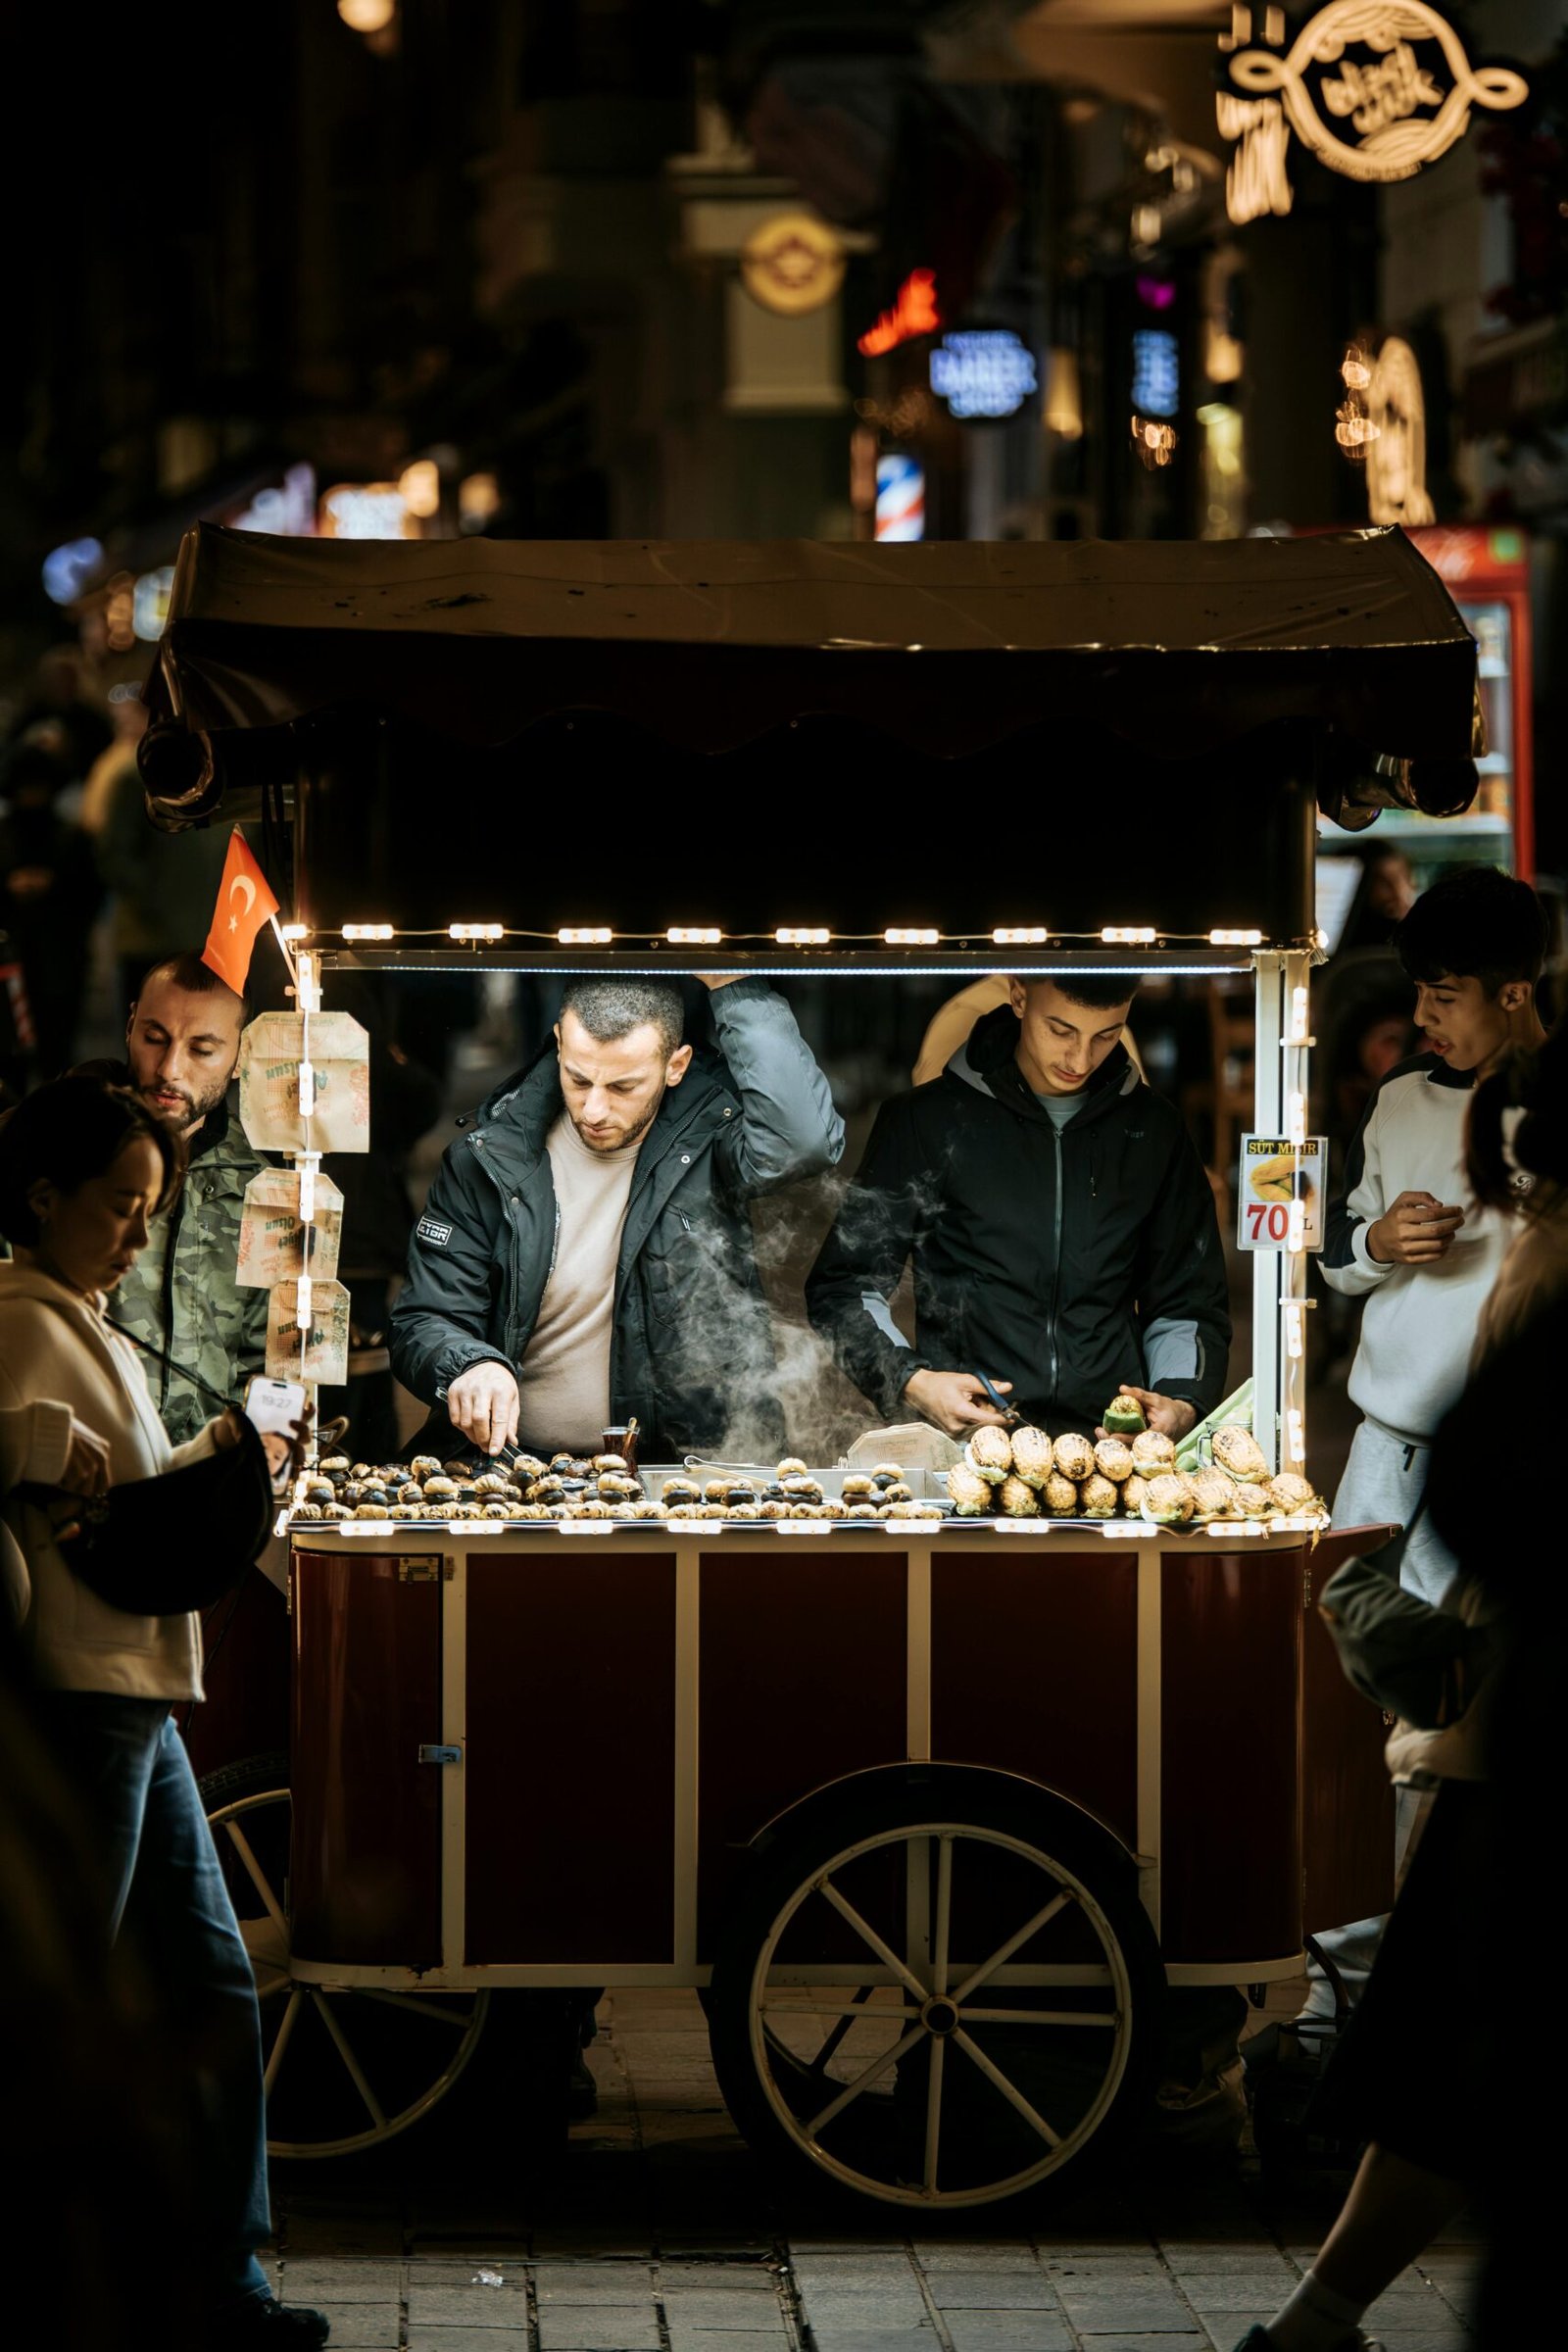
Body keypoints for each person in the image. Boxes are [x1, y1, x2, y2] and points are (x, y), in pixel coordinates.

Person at [0, 1076, 325, 2349]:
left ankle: (217, 2276)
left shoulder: (74, 1315)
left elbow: (125, 1501)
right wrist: (33, 1441)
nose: (141, 1233)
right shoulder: (24, 1319)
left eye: (154, 1208)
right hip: (88, 1694)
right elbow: (71, 1490)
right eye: (123, 1207)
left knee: (207, 1979)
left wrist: (226, 1452)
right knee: (81, 1995)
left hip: (134, 1691)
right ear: (45, 1199)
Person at [1302, 865, 1548, 2026]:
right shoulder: (1398, 1102)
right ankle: (1334, 1983)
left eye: (1446, 996)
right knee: (1349, 1706)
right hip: (1383, 1444)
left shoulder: (1556, 1107)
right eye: (1419, 997)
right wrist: (1374, 1240)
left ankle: (1433, 1975)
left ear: (1514, 991)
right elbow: (1334, 1256)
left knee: (1449, 1722)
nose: (1425, 1019)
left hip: (1498, 1471)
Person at [391, 972, 845, 1463]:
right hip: (514, 1471)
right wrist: (468, 1365)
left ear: (677, 1066)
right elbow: (425, 1317)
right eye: (578, 1079)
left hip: (681, 1473)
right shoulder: (485, 1157)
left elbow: (802, 1142)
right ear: (560, 1044)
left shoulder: (712, 1139)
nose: (594, 1109)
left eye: (624, 1086)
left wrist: (735, 987)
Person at [806, 974, 1231, 1443]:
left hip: (1112, 1453)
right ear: (1019, 996)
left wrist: (1180, 1401)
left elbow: (1187, 1303)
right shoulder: (924, 1121)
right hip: (968, 1447)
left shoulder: (1156, 1131)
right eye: (1061, 1030)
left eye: (1106, 1035)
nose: (1080, 1058)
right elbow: (844, 1288)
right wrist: (913, 1381)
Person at [81, 954, 270, 1446]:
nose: (169, 1069)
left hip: (209, 1483)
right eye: (154, 1038)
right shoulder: (56, 1157)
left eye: (202, 1050)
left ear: (240, 1059)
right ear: (129, 1027)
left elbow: (267, 1364)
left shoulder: (261, 1188)